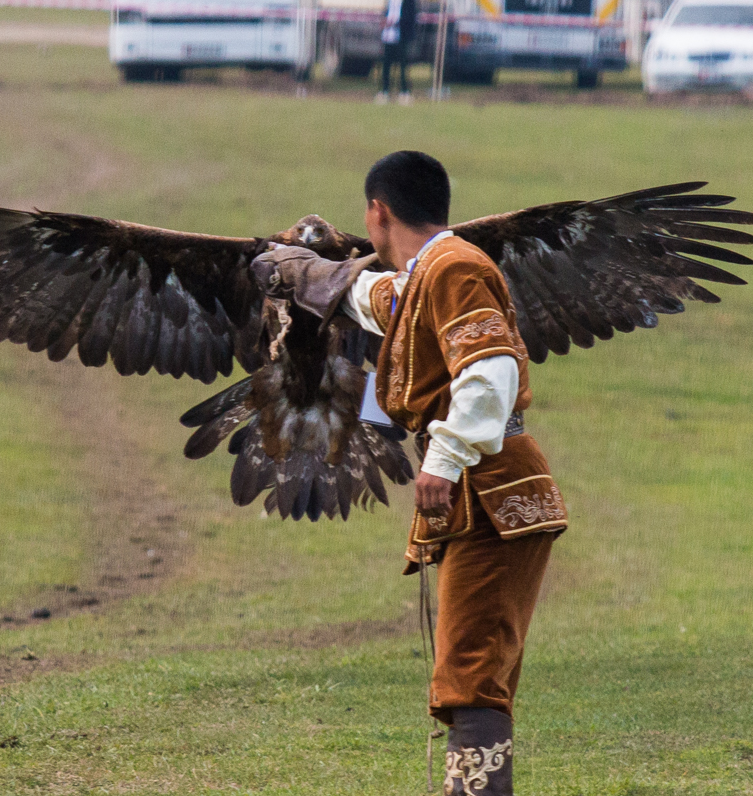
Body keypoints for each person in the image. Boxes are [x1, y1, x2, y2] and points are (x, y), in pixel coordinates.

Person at [252, 151, 567, 796]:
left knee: (472, 670)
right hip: (483, 492)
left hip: (490, 487)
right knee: (468, 668)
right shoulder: (429, 274)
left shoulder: (454, 269)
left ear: (378, 212)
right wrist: (313, 276)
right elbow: (377, 299)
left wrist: (444, 460)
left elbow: (490, 371)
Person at [378, 0, 417, 104]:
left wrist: (395, 22)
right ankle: (385, 91)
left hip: (402, 36)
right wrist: (384, 21)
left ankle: (404, 91)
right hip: (388, 36)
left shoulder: (409, 2)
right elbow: (387, 12)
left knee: (403, 65)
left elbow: (410, 17)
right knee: (386, 64)